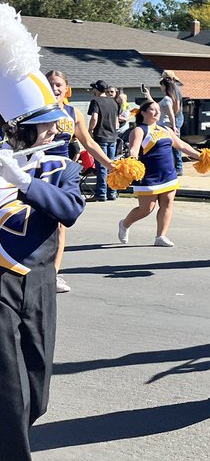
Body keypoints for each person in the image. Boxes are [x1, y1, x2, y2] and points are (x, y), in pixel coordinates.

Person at [0, 4, 86, 461]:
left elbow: (70, 211)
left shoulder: (61, 168)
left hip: (38, 283)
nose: (53, 131)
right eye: (42, 126)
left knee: (35, 392)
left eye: (54, 123)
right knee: (8, 394)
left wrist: (23, 181)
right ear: (18, 129)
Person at [45, 70, 116, 295]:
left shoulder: (73, 113)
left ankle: (53, 274)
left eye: (59, 84)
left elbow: (89, 143)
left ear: (67, 88)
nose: (55, 88)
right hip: (38, 170)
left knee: (60, 224)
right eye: (50, 84)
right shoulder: (34, 108)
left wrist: (110, 165)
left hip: (62, 173)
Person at [116, 100, 210, 246]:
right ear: (143, 112)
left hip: (168, 174)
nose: (157, 112)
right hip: (149, 176)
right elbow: (133, 150)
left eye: (158, 110)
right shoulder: (139, 130)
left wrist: (201, 156)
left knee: (167, 203)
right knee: (146, 209)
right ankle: (125, 224)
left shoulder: (165, 129)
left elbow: (181, 145)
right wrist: (132, 161)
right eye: (153, 109)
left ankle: (160, 236)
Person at [86, 80, 120, 201]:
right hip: (112, 136)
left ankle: (101, 193)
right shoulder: (114, 102)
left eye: (94, 88)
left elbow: (94, 118)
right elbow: (116, 121)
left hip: (101, 136)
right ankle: (112, 192)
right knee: (112, 165)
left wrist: (90, 130)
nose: (93, 91)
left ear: (97, 89)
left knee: (101, 166)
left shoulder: (96, 101)